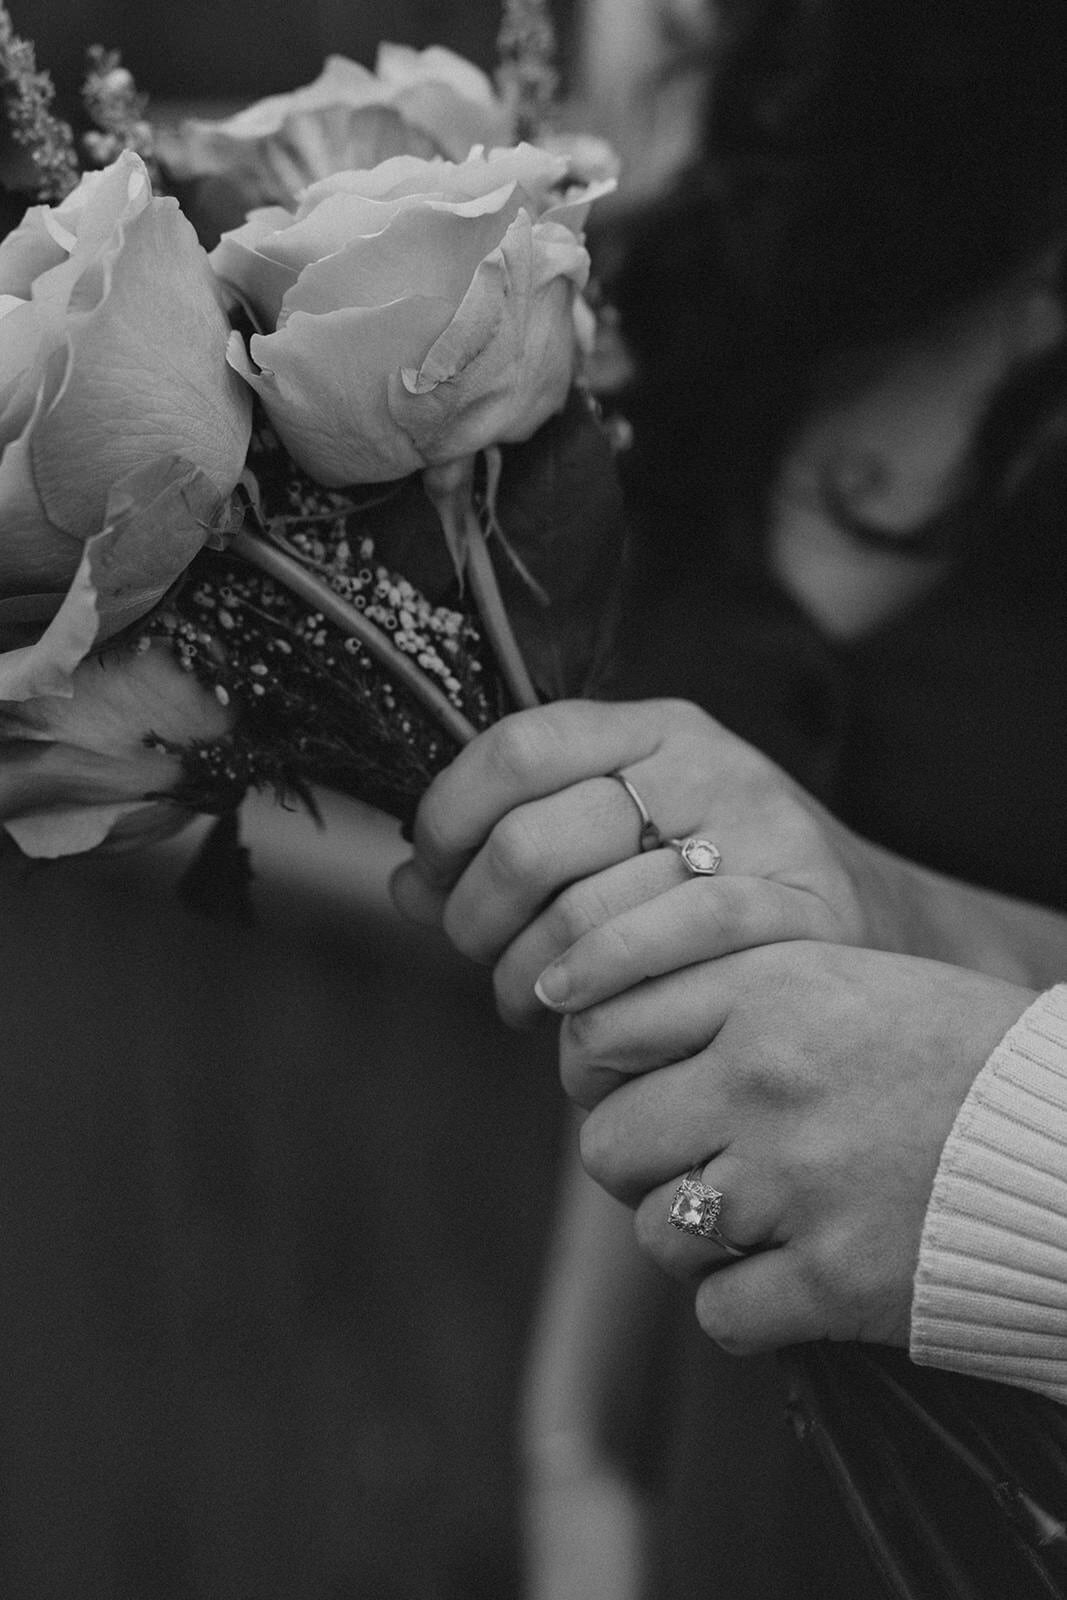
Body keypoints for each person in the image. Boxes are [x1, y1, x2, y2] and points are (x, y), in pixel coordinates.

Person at [392, 0, 1067, 1594]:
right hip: (727, 1491)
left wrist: (895, 916)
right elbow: (646, 1022)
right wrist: (579, 1467)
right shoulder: (774, 278)